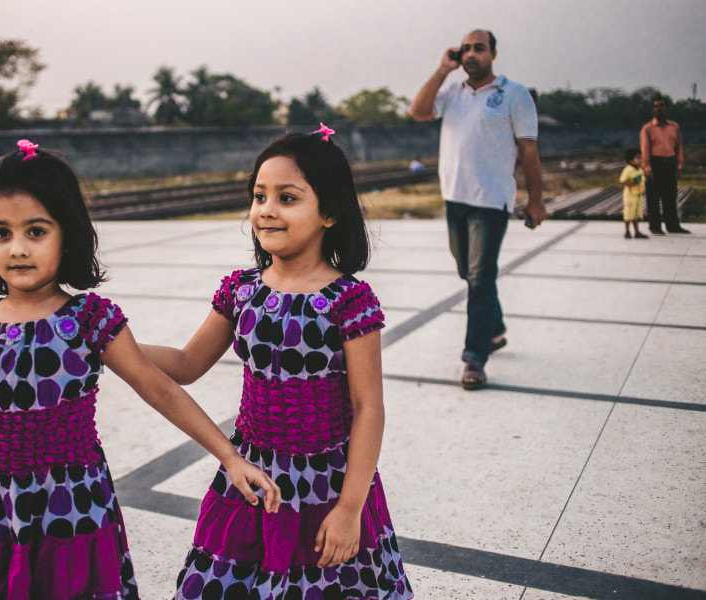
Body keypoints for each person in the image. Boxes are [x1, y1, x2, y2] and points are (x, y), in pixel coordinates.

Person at [0, 141, 281, 599]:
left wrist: (229, 457)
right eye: (1, 233)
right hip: (3, 515)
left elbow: (161, 390)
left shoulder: (89, 320)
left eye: (36, 232)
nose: (17, 249)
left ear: (66, 235)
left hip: (77, 510)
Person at [141, 127, 413, 600]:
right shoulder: (242, 291)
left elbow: (368, 407)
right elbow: (186, 364)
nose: (265, 210)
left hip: (327, 483)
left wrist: (350, 509)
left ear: (328, 212)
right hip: (251, 476)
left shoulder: (348, 301)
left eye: (287, 198)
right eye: (259, 196)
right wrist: (111, 347)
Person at [408, 29, 546, 390]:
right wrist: (442, 69)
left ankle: (474, 357)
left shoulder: (514, 94)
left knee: (480, 277)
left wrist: (536, 199)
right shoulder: (453, 92)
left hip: (491, 200)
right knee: (467, 273)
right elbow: (418, 110)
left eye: (478, 48)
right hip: (455, 197)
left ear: (493, 54)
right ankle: (495, 329)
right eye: (466, 48)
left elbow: (529, 151)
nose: (471, 54)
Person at [640, 96, 689, 234]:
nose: (659, 108)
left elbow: (679, 147)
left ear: (666, 108)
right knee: (653, 197)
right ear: (653, 109)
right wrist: (647, 167)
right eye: (656, 106)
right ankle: (655, 226)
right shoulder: (647, 128)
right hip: (655, 163)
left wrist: (679, 165)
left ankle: (672, 225)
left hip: (670, 163)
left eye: (661, 105)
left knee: (670, 196)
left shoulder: (674, 127)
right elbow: (645, 150)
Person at [619, 148, 648, 239]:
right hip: (630, 196)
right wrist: (631, 183)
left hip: (638, 195)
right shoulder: (628, 170)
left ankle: (637, 231)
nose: (641, 160)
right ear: (631, 160)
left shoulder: (639, 169)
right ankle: (627, 231)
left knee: (636, 214)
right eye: (638, 158)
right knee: (628, 214)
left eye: (641, 158)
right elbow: (622, 183)